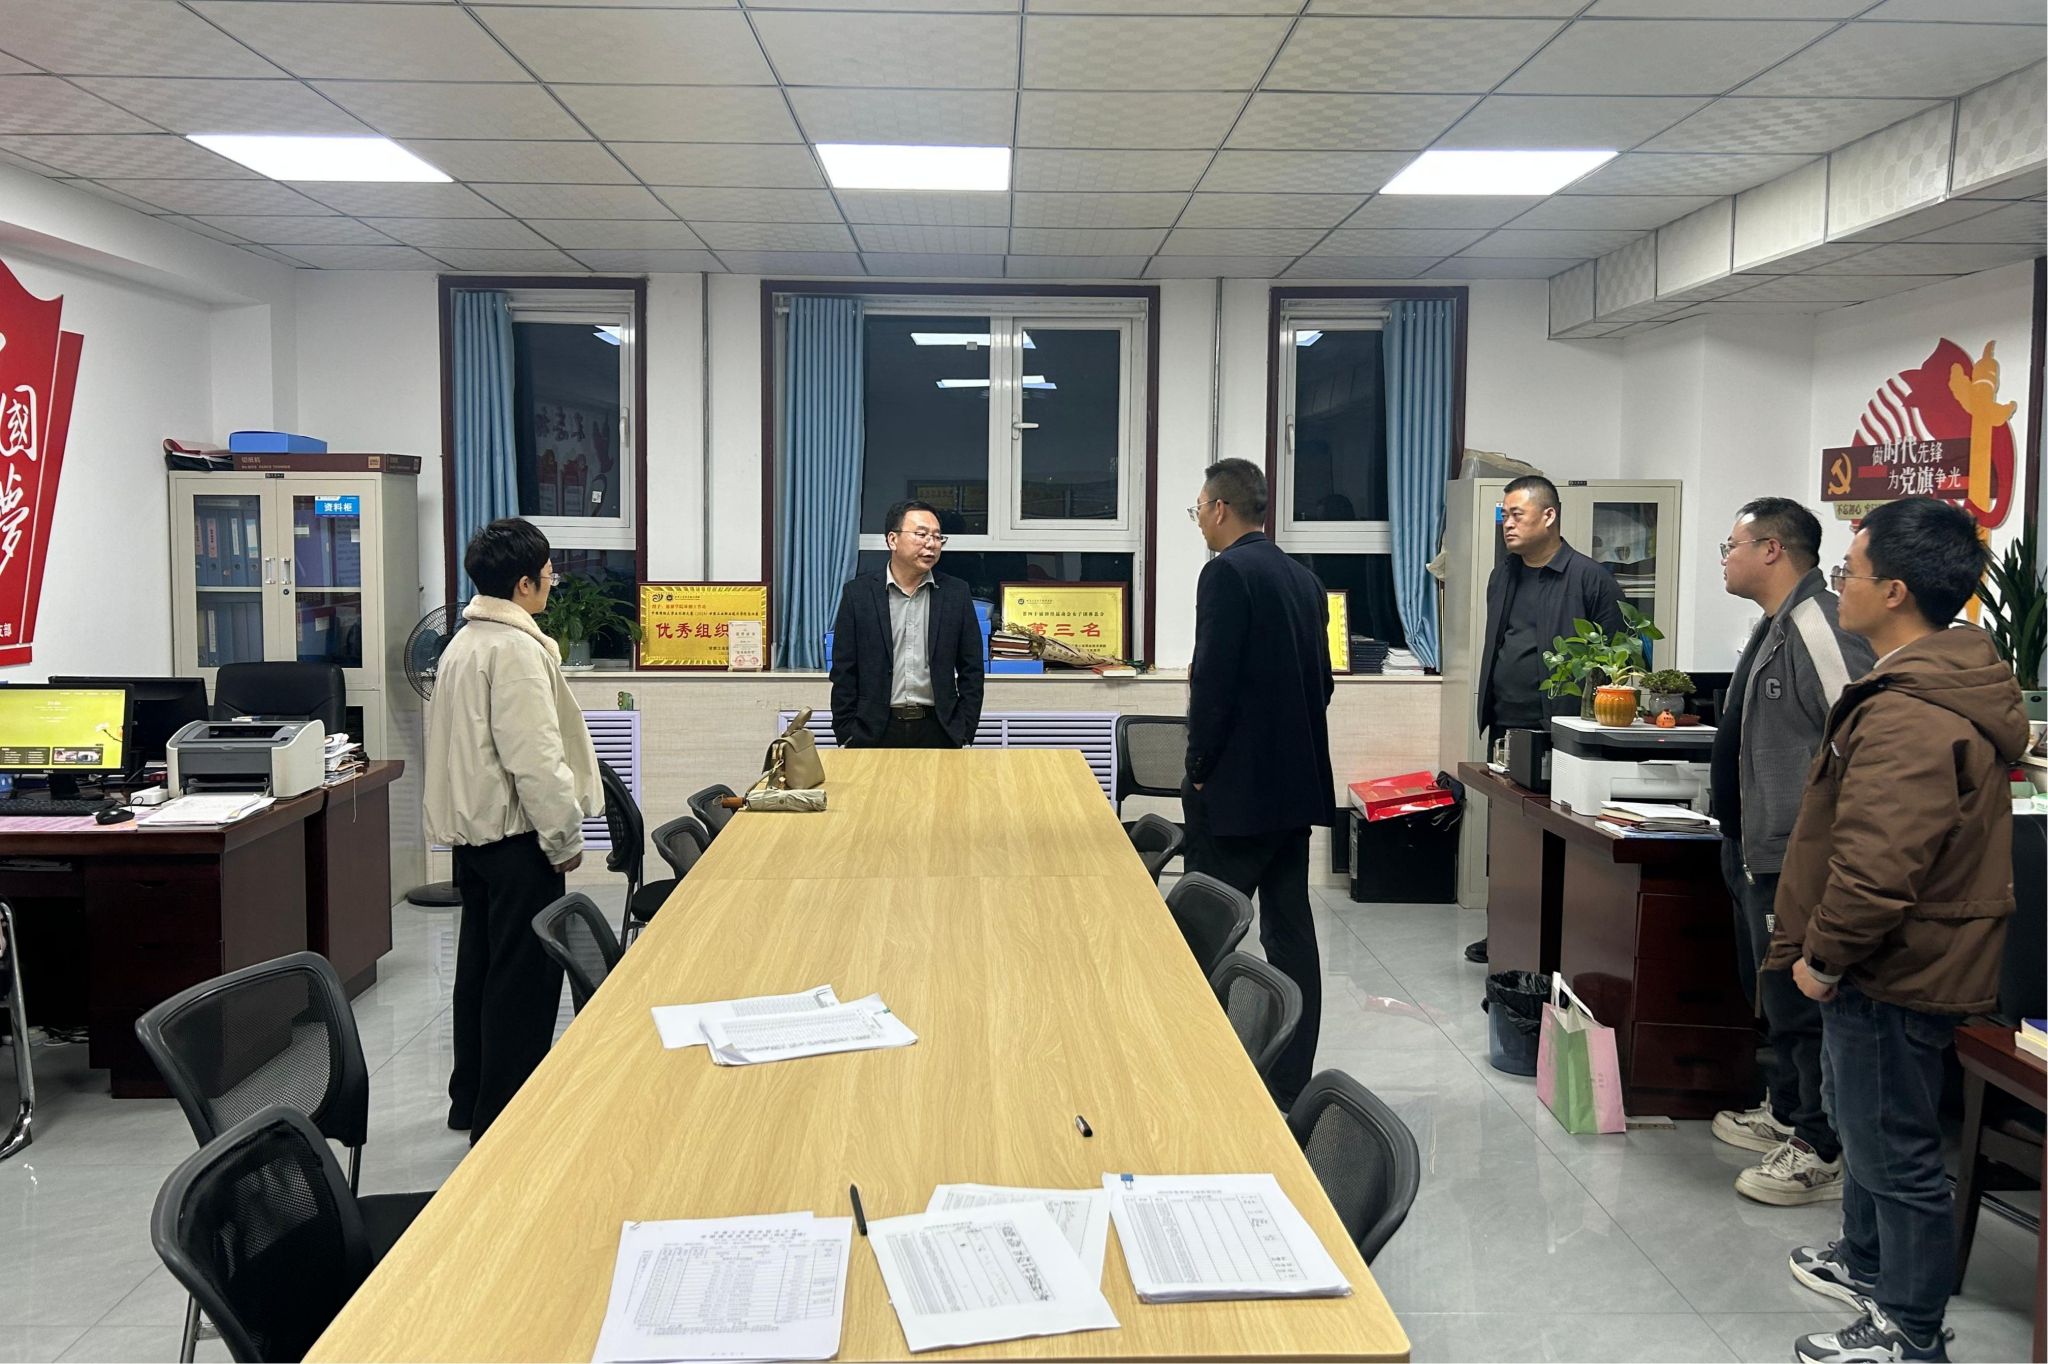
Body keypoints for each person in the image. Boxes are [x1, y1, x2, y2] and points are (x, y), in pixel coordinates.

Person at [1765, 497, 2027, 1364]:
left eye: (1852, 571)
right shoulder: (1918, 683)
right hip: (1895, 960)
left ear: (1896, 592)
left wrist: (1822, 957)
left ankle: (1908, 1330)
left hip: (1892, 966)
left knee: (1894, 1151)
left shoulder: (1912, 712)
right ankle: (1865, 1260)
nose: (1840, 584)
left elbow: (1878, 866)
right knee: (1866, 1121)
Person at [1709, 498, 1874, 1206]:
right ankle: (1787, 1109)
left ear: (1772, 549)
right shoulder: (1775, 623)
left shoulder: (1818, 624)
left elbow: (1862, 734)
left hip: (1798, 858)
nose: (1725, 557)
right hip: (1755, 845)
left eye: (1732, 544)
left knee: (1801, 1002)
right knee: (1774, 996)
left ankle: (1821, 1146)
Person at [424, 519, 603, 1144]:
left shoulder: (465, 642)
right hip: (518, 840)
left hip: (475, 843)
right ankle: (505, 1121)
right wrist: (564, 838)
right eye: (547, 571)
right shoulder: (516, 650)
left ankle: (471, 1099)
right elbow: (535, 760)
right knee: (523, 982)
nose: (553, 579)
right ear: (523, 583)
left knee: (479, 970)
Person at [1183, 458, 1335, 1109]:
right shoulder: (1304, 579)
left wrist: (1198, 768)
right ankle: (1289, 1076)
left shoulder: (1225, 574)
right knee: (1290, 935)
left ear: (1220, 509)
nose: (1199, 521)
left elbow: (1212, 685)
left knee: (1203, 935)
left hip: (1235, 798)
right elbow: (1322, 683)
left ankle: (1200, 1065)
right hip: (1293, 791)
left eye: (1198, 509)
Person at [1466, 474, 1625, 963]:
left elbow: (1620, 659)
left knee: (1555, 838)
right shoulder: (1503, 575)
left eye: (1517, 514)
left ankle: (1555, 941)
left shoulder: (1590, 578)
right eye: (1504, 516)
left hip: (1560, 731)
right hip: (1505, 725)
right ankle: (1506, 931)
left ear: (1549, 515)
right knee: (1505, 838)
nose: (1507, 524)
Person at [828, 500, 985, 749]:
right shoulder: (858, 594)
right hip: (873, 730)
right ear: (893, 540)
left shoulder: (956, 593)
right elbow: (844, 670)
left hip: (939, 729)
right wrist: (847, 731)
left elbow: (972, 669)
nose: (931, 544)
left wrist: (964, 729)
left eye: (937, 537)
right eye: (921, 535)